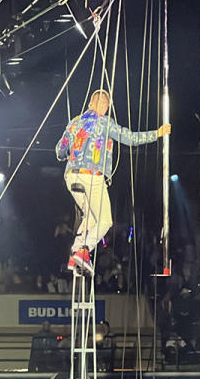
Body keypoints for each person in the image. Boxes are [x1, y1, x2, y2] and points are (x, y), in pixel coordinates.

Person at [56, 89, 171, 274]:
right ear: (101, 105)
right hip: (91, 176)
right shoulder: (105, 123)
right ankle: (84, 250)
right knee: (104, 221)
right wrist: (157, 133)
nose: (104, 108)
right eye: (104, 105)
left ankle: (74, 255)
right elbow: (131, 138)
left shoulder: (74, 123)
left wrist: (69, 155)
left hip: (70, 177)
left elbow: (60, 150)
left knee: (91, 219)